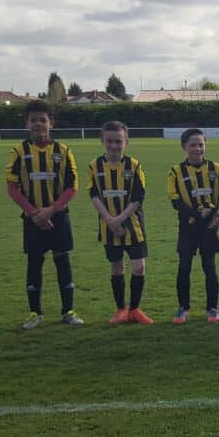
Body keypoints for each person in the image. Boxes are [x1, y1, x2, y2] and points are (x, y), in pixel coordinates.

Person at [7, 100, 83, 329]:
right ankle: (35, 312)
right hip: (32, 219)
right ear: (26, 123)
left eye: (43, 120)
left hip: (58, 216)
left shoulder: (64, 151)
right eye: (33, 120)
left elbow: (73, 187)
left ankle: (68, 310)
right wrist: (33, 213)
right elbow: (12, 188)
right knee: (35, 263)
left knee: (62, 261)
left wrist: (50, 209)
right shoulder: (19, 152)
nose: (38, 124)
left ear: (51, 123)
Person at [88, 121, 152, 325]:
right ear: (102, 141)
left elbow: (138, 197)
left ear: (127, 142)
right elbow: (94, 195)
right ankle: (121, 309)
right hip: (108, 227)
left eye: (118, 141)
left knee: (139, 267)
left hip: (133, 224)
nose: (114, 145)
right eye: (110, 141)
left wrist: (118, 220)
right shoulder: (94, 166)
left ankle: (135, 309)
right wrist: (110, 221)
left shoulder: (134, 165)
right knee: (116, 268)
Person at [167, 128, 219, 324]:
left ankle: (213, 308)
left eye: (201, 144)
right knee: (184, 268)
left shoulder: (216, 168)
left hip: (210, 228)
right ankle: (183, 308)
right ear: (184, 147)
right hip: (188, 228)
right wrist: (196, 214)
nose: (197, 148)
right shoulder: (176, 171)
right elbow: (175, 201)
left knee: (209, 267)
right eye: (193, 145)